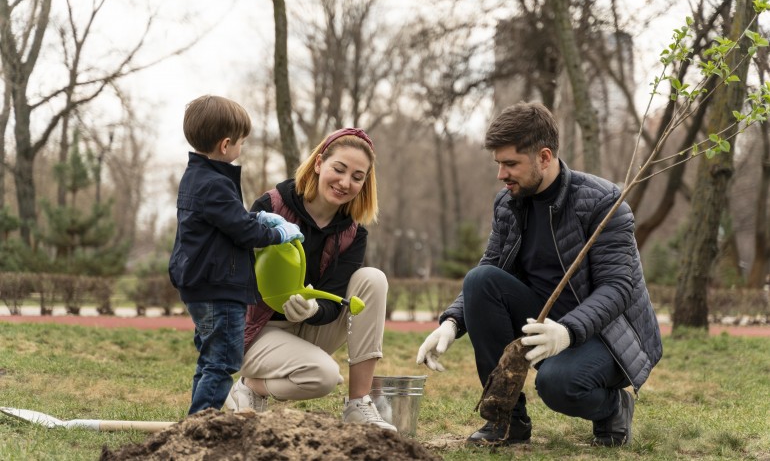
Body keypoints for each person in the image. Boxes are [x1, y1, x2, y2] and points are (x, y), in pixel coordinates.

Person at [416, 102, 663, 446]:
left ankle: (613, 407)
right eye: (498, 164)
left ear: (544, 157)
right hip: (544, 320)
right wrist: (453, 321)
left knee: (557, 384)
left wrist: (567, 332)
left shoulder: (604, 203)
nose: (501, 174)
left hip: (610, 333)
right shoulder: (507, 203)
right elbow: (491, 266)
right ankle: (506, 420)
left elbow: (619, 288)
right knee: (479, 280)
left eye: (511, 164)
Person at [225, 127, 397, 432]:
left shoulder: (353, 233)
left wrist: (314, 309)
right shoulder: (271, 206)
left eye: (357, 177)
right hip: (256, 331)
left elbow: (334, 302)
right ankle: (249, 386)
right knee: (324, 377)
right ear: (319, 163)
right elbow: (236, 276)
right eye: (339, 169)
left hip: (308, 327)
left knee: (373, 278)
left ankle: (359, 403)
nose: (345, 183)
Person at [169, 95, 304, 415]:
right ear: (226, 145)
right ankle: (202, 424)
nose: (242, 147)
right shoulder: (215, 184)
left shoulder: (196, 177)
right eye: (242, 142)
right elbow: (243, 233)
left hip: (200, 282)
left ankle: (200, 417)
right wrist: (276, 233)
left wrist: (257, 217)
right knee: (225, 358)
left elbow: (225, 223)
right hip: (218, 286)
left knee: (210, 356)